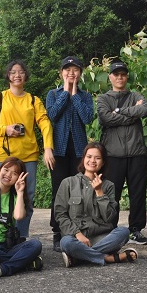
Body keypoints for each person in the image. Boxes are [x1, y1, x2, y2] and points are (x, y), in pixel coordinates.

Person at [0, 59, 55, 238]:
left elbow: (45, 124)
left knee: (27, 196)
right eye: (13, 72)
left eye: (21, 72)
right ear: (8, 76)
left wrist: (48, 148)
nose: (17, 75)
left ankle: (21, 236)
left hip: (28, 156)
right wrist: (5, 129)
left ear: (26, 76)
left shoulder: (33, 100)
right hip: (4, 156)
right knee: (1, 194)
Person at [54, 142, 138, 267]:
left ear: (103, 163)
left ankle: (78, 257)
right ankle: (109, 258)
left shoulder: (108, 186)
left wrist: (99, 192)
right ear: (83, 159)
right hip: (76, 237)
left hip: (102, 237)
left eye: (97, 158)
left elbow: (109, 217)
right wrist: (78, 234)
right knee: (65, 242)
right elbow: (60, 214)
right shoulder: (68, 183)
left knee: (123, 232)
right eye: (89, 157)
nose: (92, 161)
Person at [96, 61, 147, 245]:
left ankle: (136, 229)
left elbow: (144, 109)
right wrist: (131, 115)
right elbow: (105, 117)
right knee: (112, 194)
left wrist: (119, 112)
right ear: (110, 77)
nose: (119, 77)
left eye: (123, 74)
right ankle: (110, 229)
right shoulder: (103, 99)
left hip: (136, 152)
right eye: (116, 74)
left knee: (138, 193)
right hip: (113, 154)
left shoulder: (135, 95)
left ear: (127, 77)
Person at [46, 56, 94, 252]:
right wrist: (65, 93)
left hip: (79, 152)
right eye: (67, 70)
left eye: (75, 70)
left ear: (80, 73)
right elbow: (53, 115)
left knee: (80, 191)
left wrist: (74, 95)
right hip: (58, 151)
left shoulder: (85, 96)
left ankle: (78, 230)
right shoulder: (52, 94)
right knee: (59, 192)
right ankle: (58, 232)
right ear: (61, 73)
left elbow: (87, 118)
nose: (71, 73)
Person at [0, 157, 44, 280]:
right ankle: (23, 263)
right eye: (6, 170)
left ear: (19, 177)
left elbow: (19, 216)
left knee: (36, 244)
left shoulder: (15, 198)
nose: (8, 175)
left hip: (6, 247)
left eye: (14, 173)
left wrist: (20, 192)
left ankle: (0, 269)